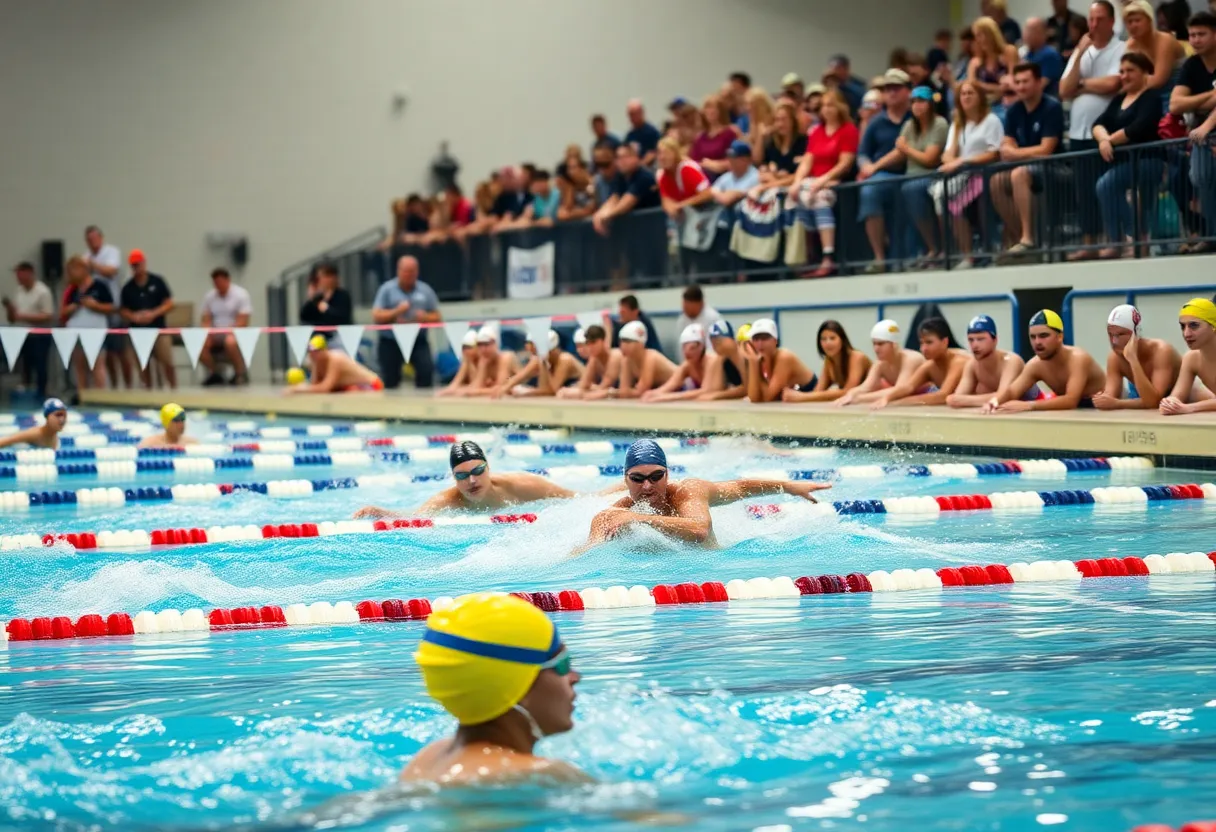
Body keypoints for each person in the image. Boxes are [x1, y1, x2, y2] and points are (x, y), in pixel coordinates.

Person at [402, 593, 584, 785]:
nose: (575, 677)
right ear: (517, 684)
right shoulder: (541, 774)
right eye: (563, 664)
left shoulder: (428, 758)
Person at [582, 440, 832, 548]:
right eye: (638, 479)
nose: (647, 486)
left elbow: (701, 528)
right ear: (625, 480)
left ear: (667, 475)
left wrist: (787, 486)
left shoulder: (688, 491)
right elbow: (586, 555)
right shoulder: (613, 515)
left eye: (656, 476)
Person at [357, 441, 589, 517]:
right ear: (454, 479)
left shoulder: (522, 485)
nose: (472, 481)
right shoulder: (446, 502)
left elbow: (579, 499)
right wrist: (381, 513)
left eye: (478, 471)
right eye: (462, 475)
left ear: (488, 468)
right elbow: (413, 520)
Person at [1061, 1, 1126, 261]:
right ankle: (1089, 243)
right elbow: (1065, 90)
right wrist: (1078, 53)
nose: (1093, 25)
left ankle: (1113, 240)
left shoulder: (1120, 48)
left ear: (1111, 21)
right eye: (1090, 19)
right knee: (1083, 190)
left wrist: (1082, 85)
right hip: (1079, 133)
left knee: (1104, 188)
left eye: (1099, 19)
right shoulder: (1083, 51)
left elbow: (1112, 83)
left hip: (1106, 132)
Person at [1091, 51, 1169, 258]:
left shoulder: (1151, 97)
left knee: (1105, 185)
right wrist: (1103, 139)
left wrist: (1109, 140)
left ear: (1144, 72)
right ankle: (1121, 239)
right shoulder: (1119, 99)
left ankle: (1130, 237)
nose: (1124, 75)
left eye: (1130, 71)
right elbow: (1098, 124)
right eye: (1122, 71)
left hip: (1149, 160)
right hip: (1126, 162)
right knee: (1107, 187)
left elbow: (1139, 127)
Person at [991, 62, 1065, 260]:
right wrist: (1016, 152)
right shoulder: (1014, 110)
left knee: (1018, 174)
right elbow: (1005, 146)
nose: (1021, 87)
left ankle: (1029, 238)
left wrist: (1016, 153)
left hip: (1056, 167)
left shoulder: (1052, 107)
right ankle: (1021, 238)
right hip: (1026, 165)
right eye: (1018, 82)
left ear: (1039, 82)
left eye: (1026, 81)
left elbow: (1046, 150)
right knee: (996, 181)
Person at [982, 310, 1106, 412]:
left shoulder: (1078, 358)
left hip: (1109, 404)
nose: (1037, 342)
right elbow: (1012, 391)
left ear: (1060, 337)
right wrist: (994, 402)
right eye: (1032, 337)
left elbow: (1070, 400)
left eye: (1044, 336)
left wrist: (1029, 405)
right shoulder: (1035, 365)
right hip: (1080, 408)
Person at [937, 80, 1004, 269]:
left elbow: (994, 153)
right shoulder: (958, 124)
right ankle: (966, 253)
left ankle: (988, 249)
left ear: (980, 97)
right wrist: (954, 162)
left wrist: (964, 161)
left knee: (956, 204)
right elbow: (947, 153)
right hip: (962, 173)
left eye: (970, 93)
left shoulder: (991, 120)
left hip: (985, 172)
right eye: (963, 94)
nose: (966, 97)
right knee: (943, 200)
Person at [793, 89, 859, 277]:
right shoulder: (817, 132)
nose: (826, 109)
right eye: (823, 106)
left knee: (818, 198)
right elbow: (807, 161)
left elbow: (845, 163)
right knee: (795, 198)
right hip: (814, 181)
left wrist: (824, 179)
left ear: (840, 107)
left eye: (831, 105)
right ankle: (808, 254)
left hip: (835, 182)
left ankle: (827, 257)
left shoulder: (848, 130)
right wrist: (797, 182)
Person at [856, 69, 913, 272]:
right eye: (888, 89)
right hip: (882, 176)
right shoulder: (876, 122)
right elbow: (862, 153)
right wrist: (865, 167)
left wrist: (874, 167)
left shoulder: (915, 116)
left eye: (896, 88)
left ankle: (912, 256)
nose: (891, 93)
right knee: (869, 190)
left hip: (912, 170)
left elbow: (903, 152)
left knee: (912, 190)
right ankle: (879, 256)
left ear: (908, 91)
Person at [1171, 11, 1216, 254]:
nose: (1195, 40)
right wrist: (1210, 98)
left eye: (1202, 34)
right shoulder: (1191, 65)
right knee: (1200, 178)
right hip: (1201, 137)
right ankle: (1210, 235)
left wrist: (1197, 107)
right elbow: (1175, 105)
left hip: (1205, 130)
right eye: (1192, 35)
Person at [897, 87, 950, 267]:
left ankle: (938, 247)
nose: (917, 105)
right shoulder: (909, 125)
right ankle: (928, 248)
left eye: (921, 101)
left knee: (912, 188)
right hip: (909, 177)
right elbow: (897, 152)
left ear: (930, 103)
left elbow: (929, 159)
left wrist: (906, 149)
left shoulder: (940, 124)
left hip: (932, 175)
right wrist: (874, 167)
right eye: (913, 102)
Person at [1092, 304, 1182, 410]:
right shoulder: (1114, 357)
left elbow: (1153, 402)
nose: (1114, 341)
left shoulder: (1162, 352)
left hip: (1182, 393)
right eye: (1110, 335)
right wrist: (1102, 400)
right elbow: (1110, 397)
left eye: (1120, 335)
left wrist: (1133, 359)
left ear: (1136, 333)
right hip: (1143, 394)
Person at [372, 255, 442, 389]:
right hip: (391, 340)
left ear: (417, 272)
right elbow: (376, 316)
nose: (409, 275)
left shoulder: (425, 290)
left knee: (426, 371)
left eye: (412, 271)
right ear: (398, 271)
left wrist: (425, 317)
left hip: (418, 340)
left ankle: (423, 407)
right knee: (390, 379)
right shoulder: (386, 289)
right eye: (406, 271)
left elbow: (437, 316)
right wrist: (396, 311)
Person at [869, 318, 969, 408]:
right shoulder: (929, 365)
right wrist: (886, 398)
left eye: (929, 342)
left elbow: (943, 395)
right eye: (921, 343)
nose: (923, 348)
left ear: (944, 342)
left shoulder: (958, 361)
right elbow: (908, 387)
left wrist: (898, 403)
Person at [82, 225, 131, 389]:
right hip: (96, 312)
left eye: (94, 238)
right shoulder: (86, 257)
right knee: (106, 354)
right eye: (89, 240)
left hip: (112, 308)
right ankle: (114, 386)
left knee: (120, 351)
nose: (92, 242)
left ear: (101, 238)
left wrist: (92, 265)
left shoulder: (111, 252)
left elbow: (111, 271)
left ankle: (128, 385)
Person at [119, 249, 176, 390]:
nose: (136, 268)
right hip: (138, 332)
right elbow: (123, 310)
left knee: (167, 361)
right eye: (133, 265)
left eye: (138, 264)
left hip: (158, 329)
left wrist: (153, 313)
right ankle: (148, 390)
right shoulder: (128, 288)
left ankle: (174, 388)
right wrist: (134, 317)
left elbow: (169, 303)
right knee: (143, 364)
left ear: (144, 263)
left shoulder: (157, 282)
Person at [835, 320, 927, 406]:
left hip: (928, 396)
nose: (876, 349)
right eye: (874, 344)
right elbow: (865, 387)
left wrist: (859, 399)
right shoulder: (880, 363)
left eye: (880, 344)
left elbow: (899, 391)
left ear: (893, 344)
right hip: (907, 400)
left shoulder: (911, 359)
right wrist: (850, 394)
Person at [947, 315, 1031, 407]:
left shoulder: (1011, 361)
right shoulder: (972, 364)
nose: (975, 345)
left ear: (995, 340)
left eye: (980, 339)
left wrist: (965, 400)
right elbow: (956, 399)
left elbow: (1004, 397)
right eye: (971, 340)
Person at [781, 320, 872, 402]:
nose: (828, 343)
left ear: (842, 340)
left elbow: (848, 392)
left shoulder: (857, 357)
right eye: (823, 339)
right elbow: (818, 391)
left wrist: (801, 397)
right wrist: (796, 394)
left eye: (832, 338)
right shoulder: (829, 361)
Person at [62, 254, 115, 390]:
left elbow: (111, 307)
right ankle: (82, 396)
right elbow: (63, 312)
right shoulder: (71, 290)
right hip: (75, 333)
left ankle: (100, 396)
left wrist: (95, 306)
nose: (70, 274)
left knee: (98, 366)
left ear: (83, 269)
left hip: (96, 332)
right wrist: (75, 306)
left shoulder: (99, 286)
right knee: (79, 367)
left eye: (72, 270)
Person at [4, 262, 53, 397]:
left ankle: (41, 394)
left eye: (20, 273)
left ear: (29, 273)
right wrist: (10, 309)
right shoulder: (19, 291)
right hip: (22, 335)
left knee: (40, 366)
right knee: (25, 367)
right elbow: (14, 317)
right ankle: (27, 392)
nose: (18, 277)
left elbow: (47, 315)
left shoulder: (42, 291)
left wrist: (22, 316)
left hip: (39, 336)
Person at [1160, 298, 1216, 415]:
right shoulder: (1192, 358)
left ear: (1213, 326)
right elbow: (1177, 395)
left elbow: (1185, 406)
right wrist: (1169, 403)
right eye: (1183, 327)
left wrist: (1188, 408)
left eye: (1194, 326)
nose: (1186, 334)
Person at [593, 321, 676, 400]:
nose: (623, 346)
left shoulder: (651, 357)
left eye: (628, 342)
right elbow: (624, 391)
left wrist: (609, 393)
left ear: (640, 344)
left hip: (681, 387)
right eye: (621, 342)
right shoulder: (626, 359)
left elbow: (640, 391)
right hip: (660, 390)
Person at [591, 143, 660, 237]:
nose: (621, 161)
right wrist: (599, 214)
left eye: (625, 157)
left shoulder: (643, 176)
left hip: (652, 230)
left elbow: (626, 203)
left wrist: (605, 217)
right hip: (634, 232)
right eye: (618, 158)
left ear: (635, 158)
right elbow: (614, 198)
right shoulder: (620, 176)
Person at [742, 318, 817, 403]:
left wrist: (754, 363)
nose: (760, 343)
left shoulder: (784, 357)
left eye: (764, 338)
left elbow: (767, 398)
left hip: (813, 399)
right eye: (756, 339)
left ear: (775, 341)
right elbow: (754, 398)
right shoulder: (759, 359)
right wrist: (753, 362)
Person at [199, 268, 253, 386]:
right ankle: (216, 373)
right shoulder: (210, 297)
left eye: (220, 282)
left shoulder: (241, 295)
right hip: (215, 333)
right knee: (199, 344)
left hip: (235, 332)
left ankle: (239, 373)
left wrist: (231, 329)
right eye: (216, 283)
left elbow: (243, 320)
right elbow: (206, 318)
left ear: (228, 280)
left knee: (230, 342)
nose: (218, 286)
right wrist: (206, 333)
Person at [285, 335, 384, 394]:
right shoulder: (317, 362)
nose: (313, 355)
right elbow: (315, 385)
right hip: (350, 386)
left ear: (325, 350)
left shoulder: (335, 359)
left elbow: (324, 388)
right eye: (310, 352)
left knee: (348, 393)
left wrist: (298, 389)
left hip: (373, 385)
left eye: (316, 352)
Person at [641, 325, 715, 402]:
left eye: (692, 347)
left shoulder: (711, 362)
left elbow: (705, 391)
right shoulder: (687, 365)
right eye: (684, 347)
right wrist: (653, 393)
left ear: (702, 347)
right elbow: (670, 385)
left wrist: (666, 397)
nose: (687, 352)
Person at [499, 330, 584, 397]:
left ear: (554, 349)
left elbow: (552, 390)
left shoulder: (565, 359)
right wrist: (504, 388)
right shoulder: (539, 358)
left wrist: (527, 393)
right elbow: (520, 377)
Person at [752, 101, 807, 191]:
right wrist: (761, 137)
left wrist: (773, 181)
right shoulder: (772, 143)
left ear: (793, 121)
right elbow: (758, 161)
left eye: (784, 119)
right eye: (777, 120)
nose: (781, 124)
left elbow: (799, 175)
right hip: (773, 188)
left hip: (795, 189)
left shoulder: (803, 142)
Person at [558, 325, 623, 400]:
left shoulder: (615, 356)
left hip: (627, 393)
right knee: (564, 392)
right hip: (609, 391)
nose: (590, 347)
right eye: (588, 343)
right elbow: (584, 385)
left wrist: (591, 390)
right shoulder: (594, 358)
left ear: (603, 341)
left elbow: (604, 387)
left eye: (593, 343)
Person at [968, 16, 1021, 106]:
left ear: (990, 34)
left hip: (1008, 103)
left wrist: (983, 86)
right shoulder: (975, 62)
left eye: (979, 35)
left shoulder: (1009, 52)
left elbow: (1013, 84)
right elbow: (972, 88)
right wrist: (998, 88)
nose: (977, 40)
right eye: (976, 36)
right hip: (984, 106)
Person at [698, 321, 749, 400]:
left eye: (718, 340)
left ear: (730, 339)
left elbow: (747, 388)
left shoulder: (743, 355)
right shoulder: (720, 359)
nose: (715, 345)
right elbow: (712, 389)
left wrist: (717, 395)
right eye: (713, 341)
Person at [299, 262, 353, 329]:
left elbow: (343, 318)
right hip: (317, 334)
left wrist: (326, 309)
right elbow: (304, 318)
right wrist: (311, 300)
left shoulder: (342, 295)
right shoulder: (317, 298)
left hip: (338, 334)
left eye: (326, 276)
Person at [1023, 17, 1066, 98]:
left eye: (1030, 30)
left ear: (1042, 33)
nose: (1025, 34)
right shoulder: (1028, 54)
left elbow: (1040, 85)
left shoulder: (1050, 55)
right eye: (1025, 29)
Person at [0, 398, 68, 450]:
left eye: (64, 415)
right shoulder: (34, 434)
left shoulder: (56, 438)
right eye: (58, 415)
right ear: (47, 417)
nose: (62, 419)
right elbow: (5, 441)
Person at [435, 330, 481, 397]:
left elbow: (477, 386)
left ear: (478, 347)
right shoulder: (467, 361)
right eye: (464, 348)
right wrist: (444, 392)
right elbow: (455, 383)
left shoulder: (484, 361)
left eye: (469, 348)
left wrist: (461, 390)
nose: (466, 351)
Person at [623, 99, 661, 167]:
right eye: (630, 115)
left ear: (641, 113)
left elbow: (655, 152)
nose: (631, 118)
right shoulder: (630, 135)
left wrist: (641, 165)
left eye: (634, 114)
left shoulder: (652, 132)